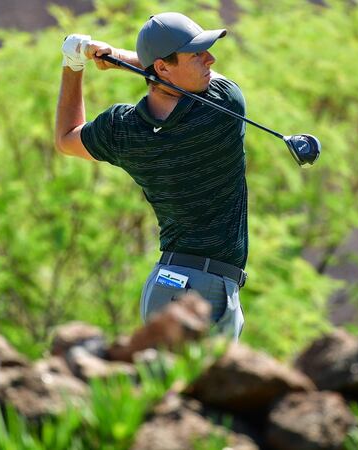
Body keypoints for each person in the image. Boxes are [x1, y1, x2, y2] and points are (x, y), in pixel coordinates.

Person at [54, 12, 247, 339]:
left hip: (164, 282)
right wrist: (117, 56)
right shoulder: (223, 107)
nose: (210, 59)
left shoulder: (121, 128)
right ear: (161, 67)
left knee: (161, 388)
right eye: (197, 54)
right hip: (208, 289)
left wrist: (73, 64)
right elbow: (213, 80)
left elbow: (66, 138)